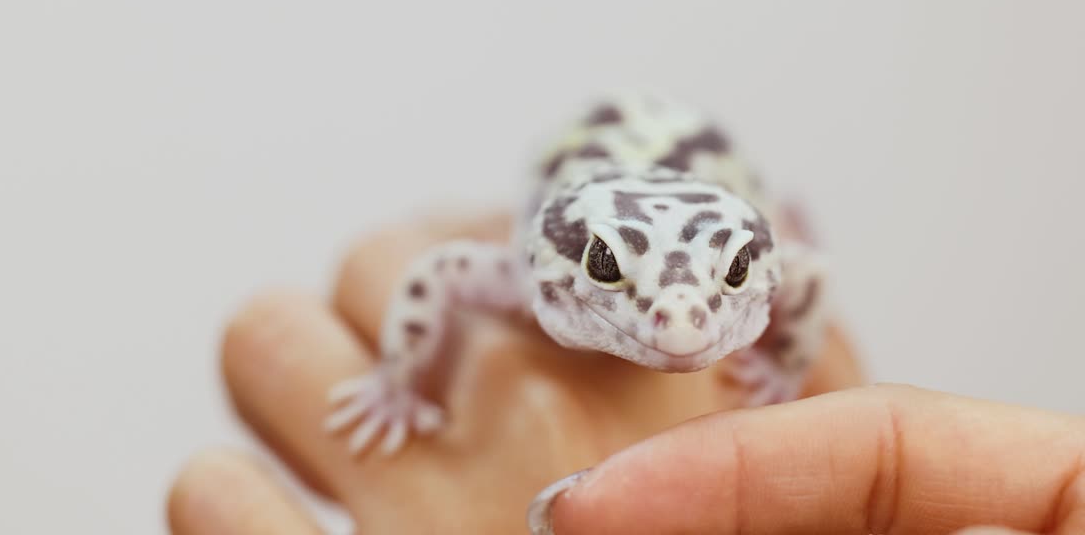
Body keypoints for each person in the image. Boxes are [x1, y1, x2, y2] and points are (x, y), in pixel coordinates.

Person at [167, 214, 1085, 535]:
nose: (679, 329)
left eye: (728, 286)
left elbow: (807, 273)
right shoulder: (528, 266)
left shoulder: (771, 265)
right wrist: (401, 381)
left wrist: (789, 365)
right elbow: (440, 272)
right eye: (610, 273)